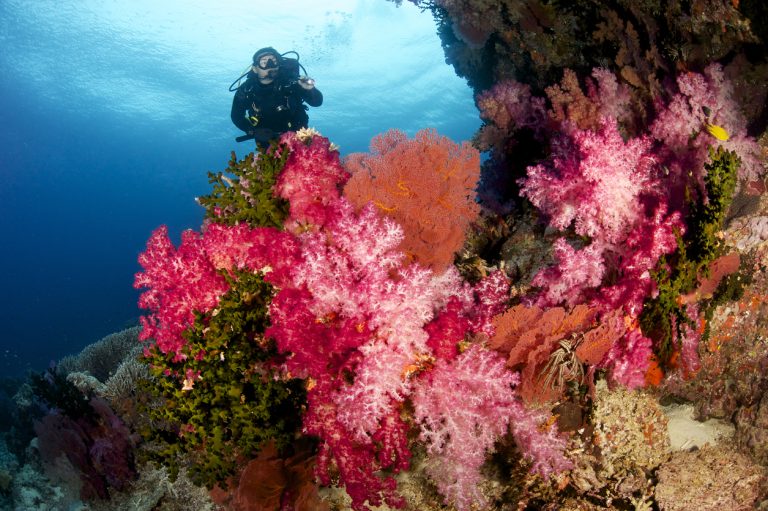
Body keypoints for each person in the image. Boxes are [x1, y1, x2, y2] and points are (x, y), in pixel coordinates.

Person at [230, 47, 323, 147]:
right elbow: (236, 116)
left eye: (274, 61)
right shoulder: (246, 90)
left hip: (299, 135)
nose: (270, 65)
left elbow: (317, 102)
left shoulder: (291, 82)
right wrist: (253, 131)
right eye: (264, 62)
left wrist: (310, 90)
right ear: (255, 69)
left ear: (279, 64)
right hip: (267, 140)